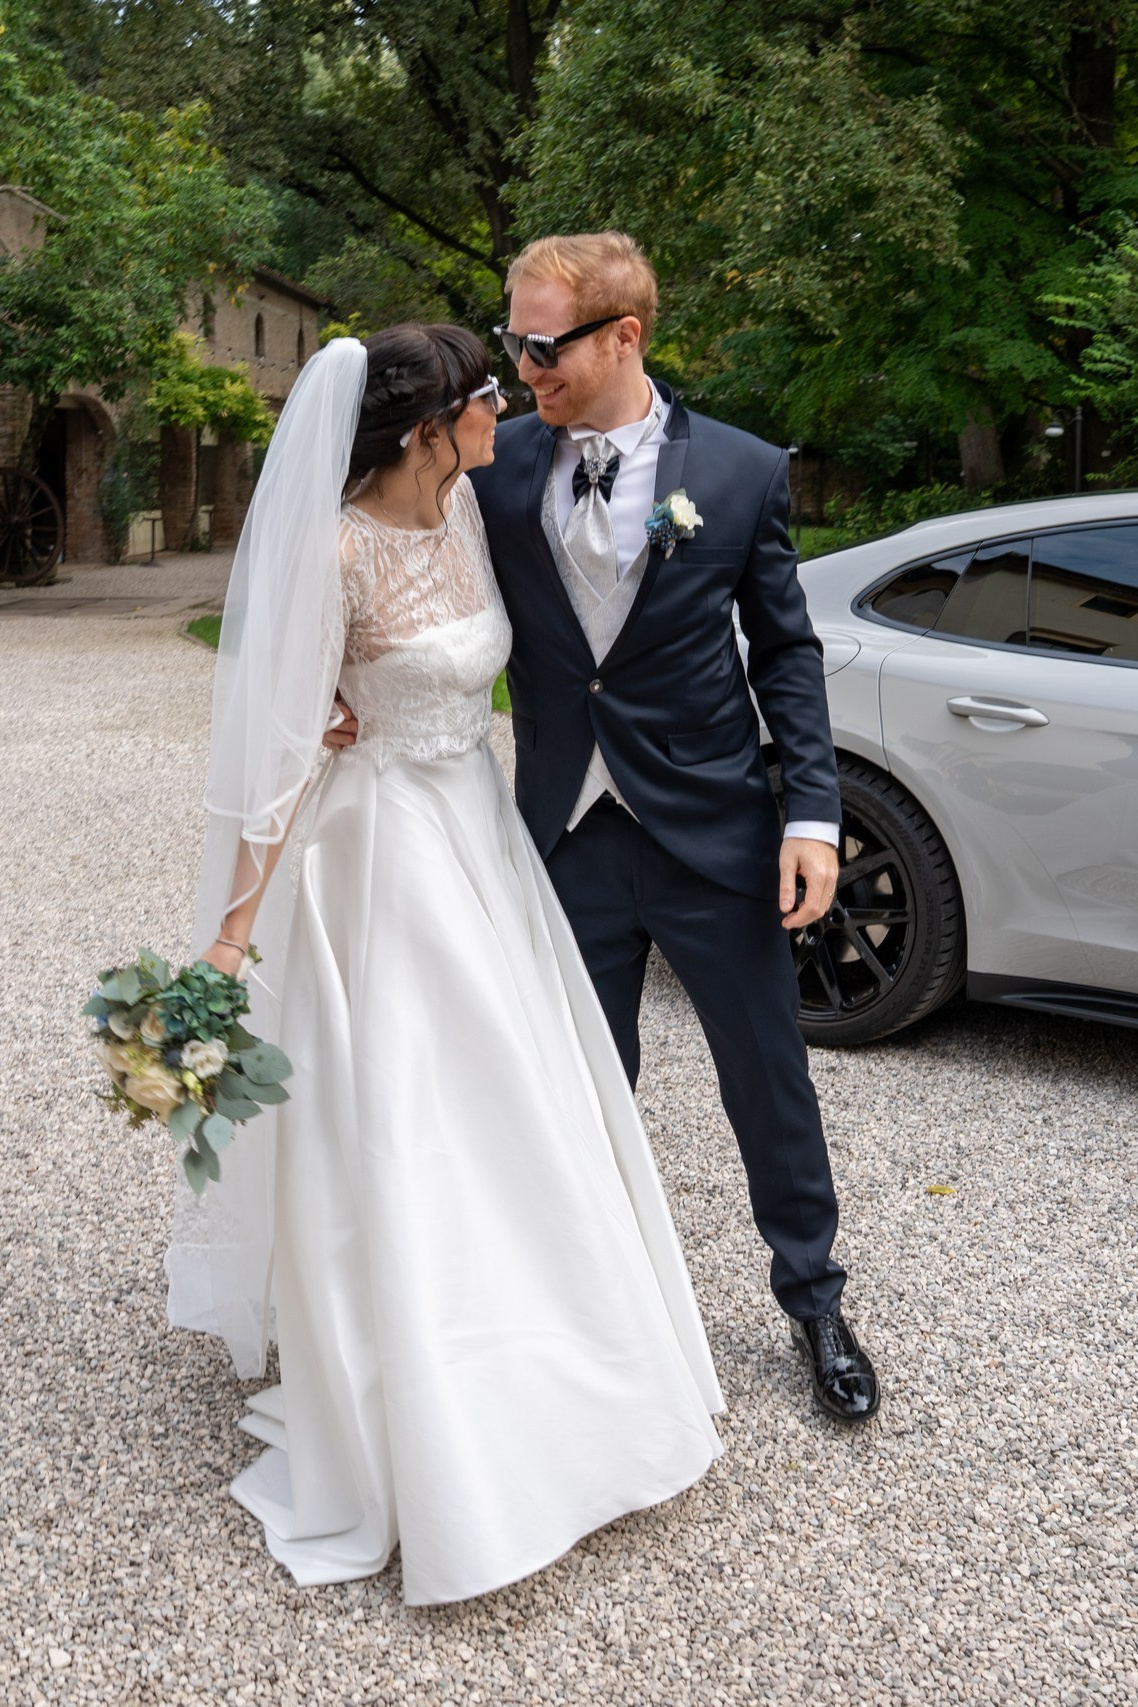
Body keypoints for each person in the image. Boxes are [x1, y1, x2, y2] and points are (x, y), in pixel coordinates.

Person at [165, 326, 724, 1607]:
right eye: (484, 400)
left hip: (482, 835)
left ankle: (568, 1363)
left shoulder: (473, 504)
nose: (505, 416)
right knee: (414, 1121)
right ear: (431, 429)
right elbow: (283, 754)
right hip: (384, 861)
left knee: (523, 1102)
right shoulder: (334, 548)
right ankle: (427, 1406)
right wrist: (233, 931)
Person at [465, 232, 880, 1422]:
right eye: (513, 339)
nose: (522, 366)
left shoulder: (742, 474)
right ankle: (589, 1311)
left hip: (714, 828)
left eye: (540, 344)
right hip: (564, 831)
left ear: (621, 337)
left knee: (768, 1076)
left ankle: (814, 1302)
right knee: (581, 1083)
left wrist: (811, 811)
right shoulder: (493, 470)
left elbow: (787, 656)